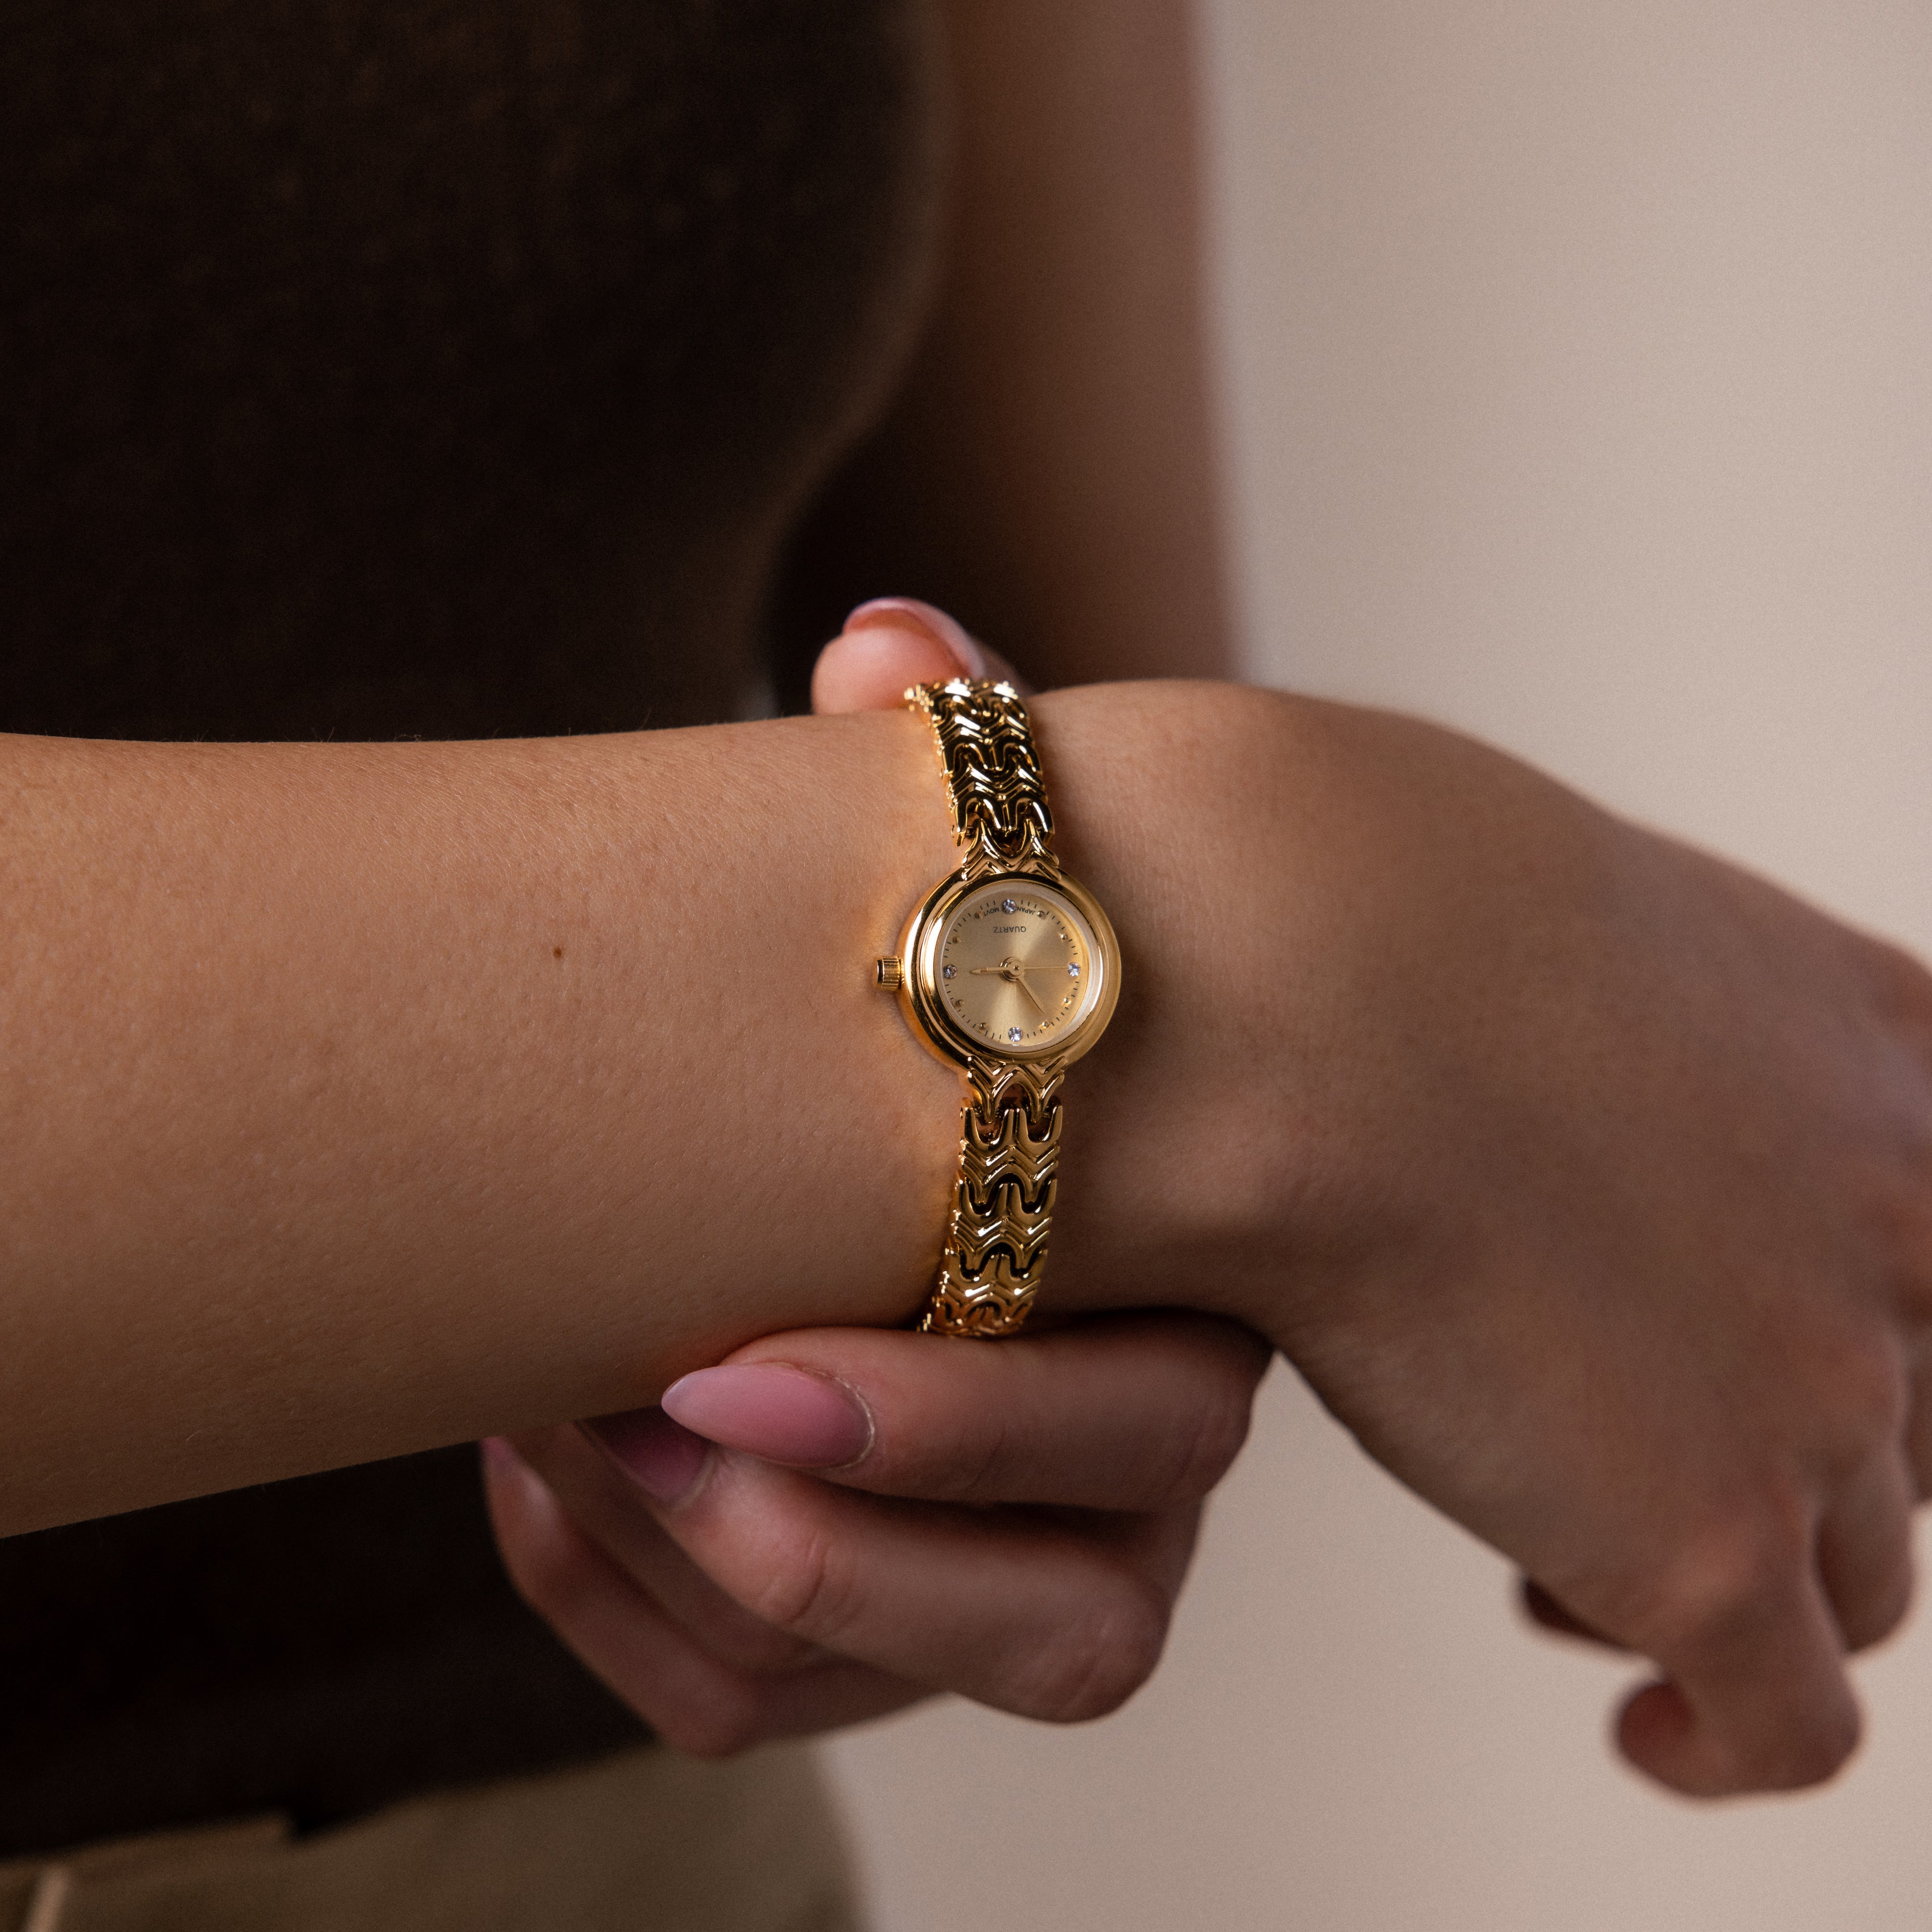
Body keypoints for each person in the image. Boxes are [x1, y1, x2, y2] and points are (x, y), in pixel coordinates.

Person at [2, 1, 1929, 1925]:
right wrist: (1286, 926)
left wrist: (1042, 1306)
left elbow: (1061, 774)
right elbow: (1191, 945)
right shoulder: (1265, 917)